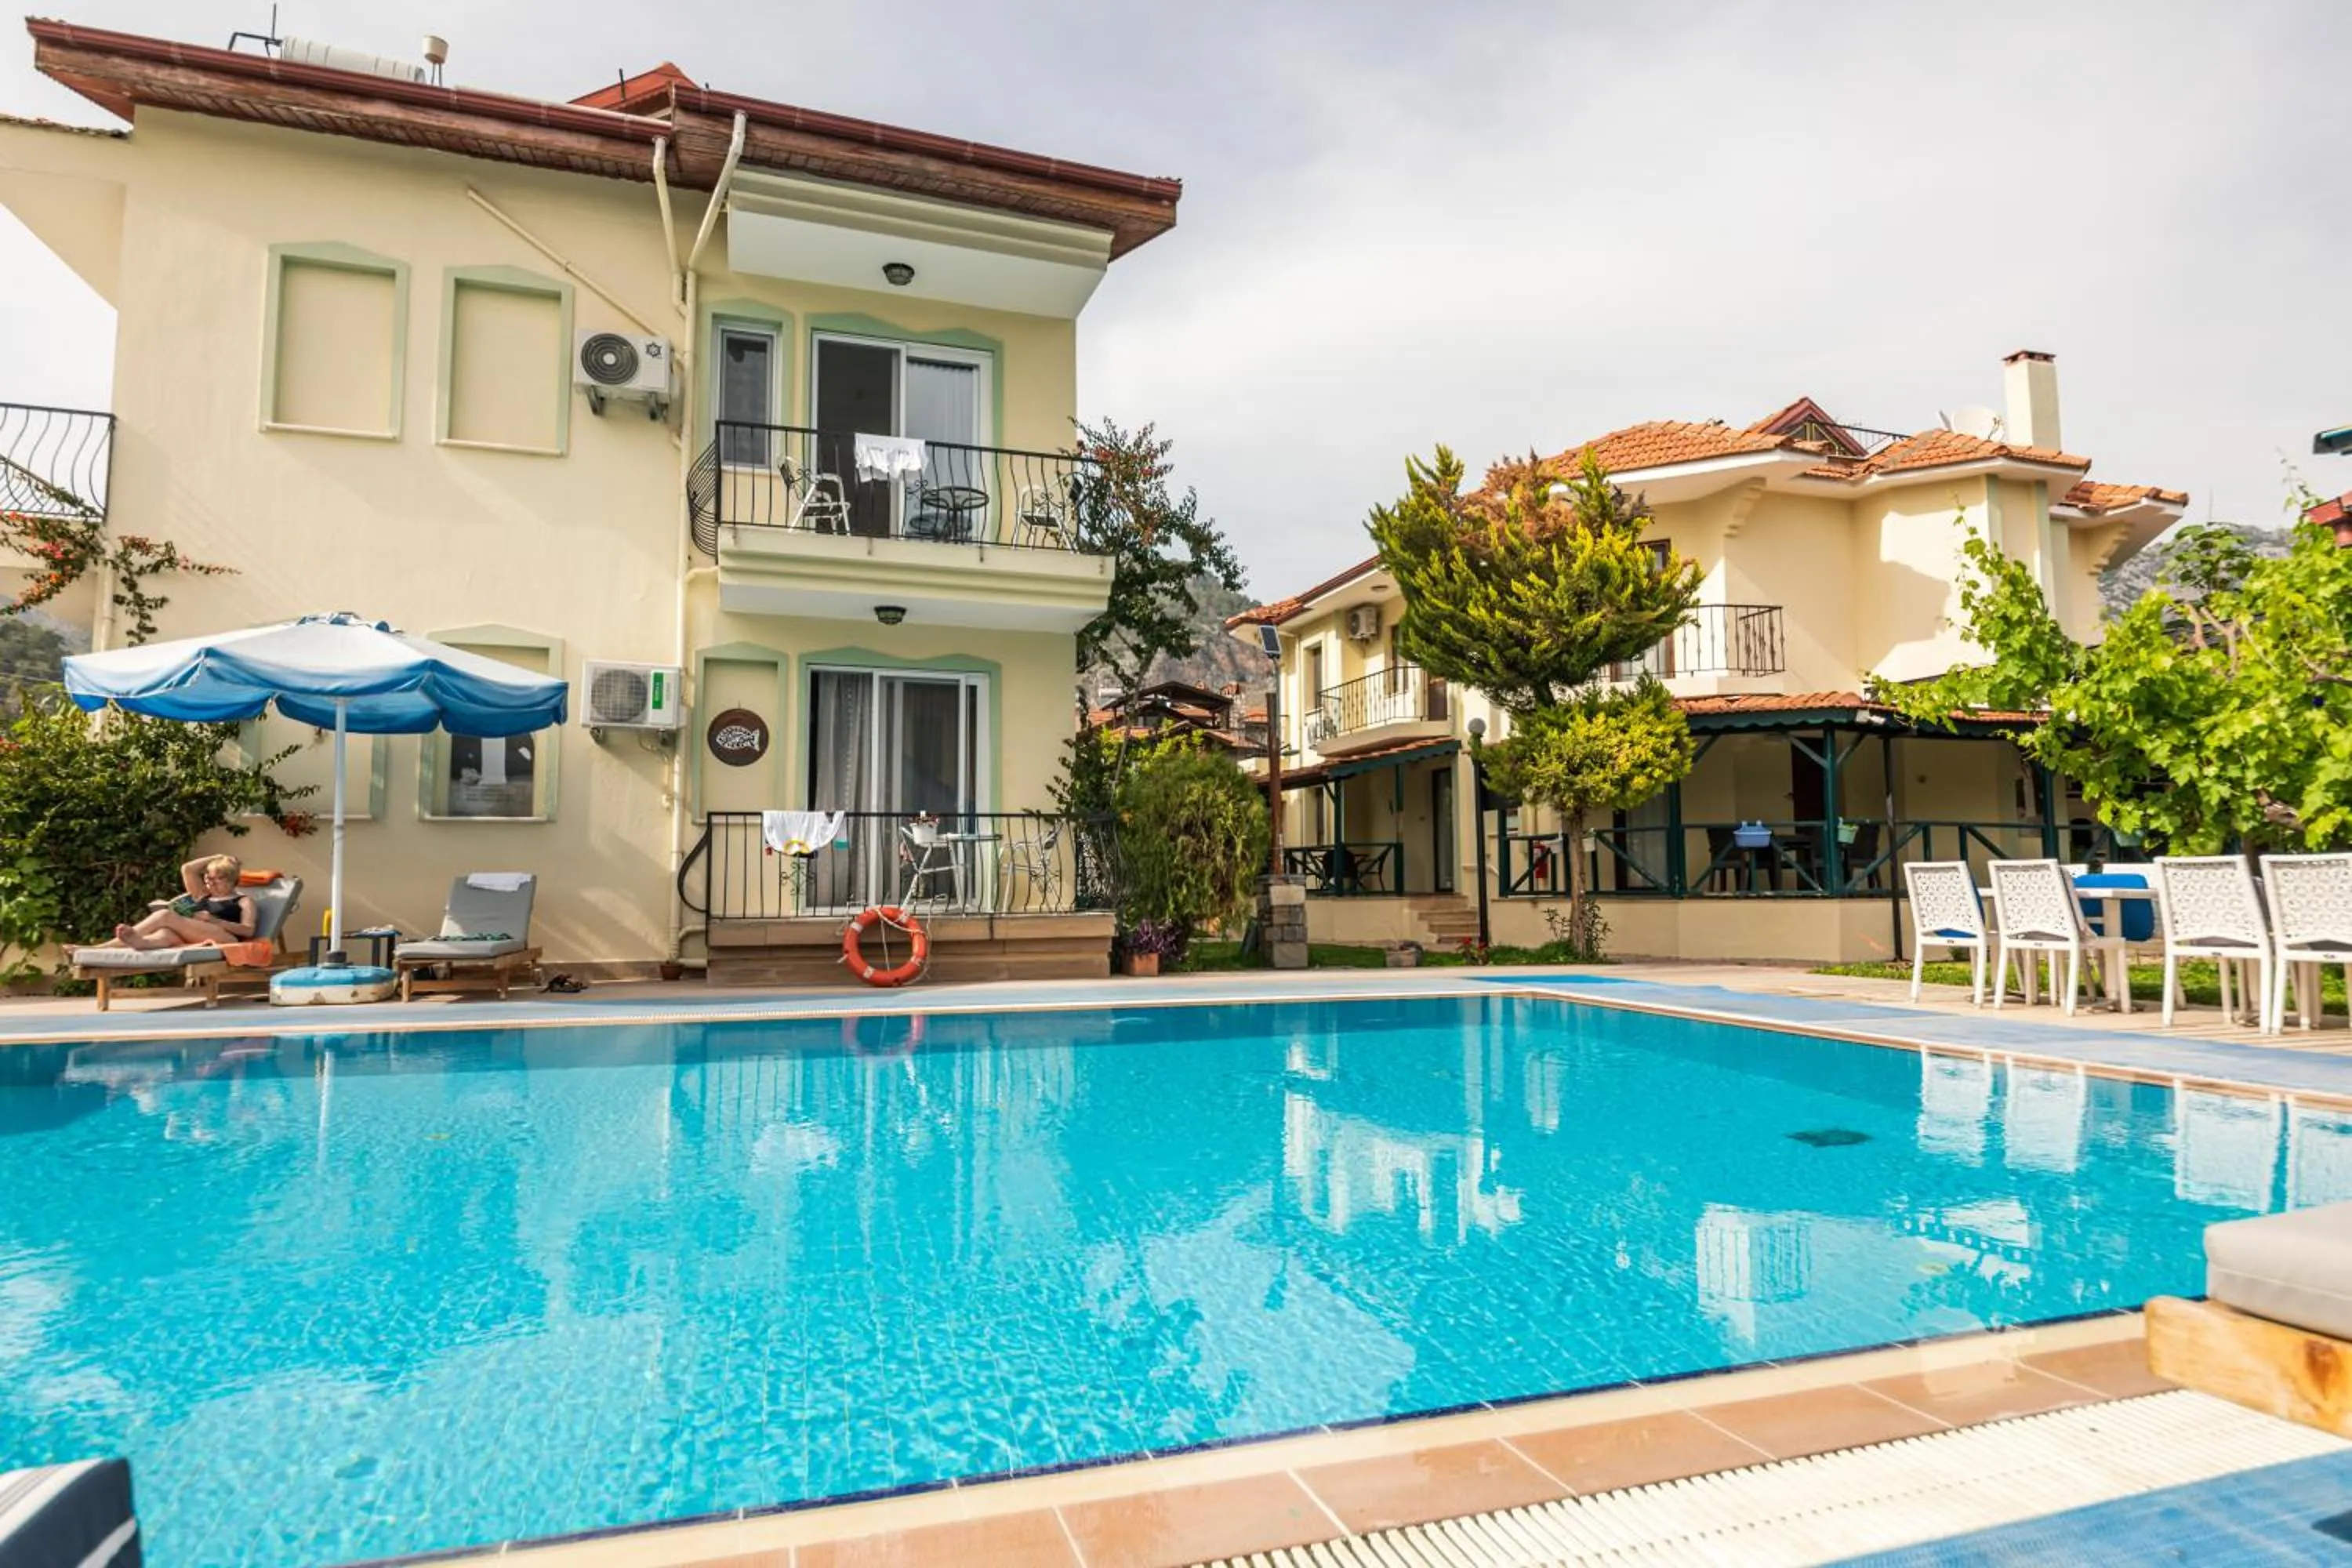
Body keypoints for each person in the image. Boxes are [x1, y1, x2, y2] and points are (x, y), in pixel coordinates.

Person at [109, 855, 257, 949]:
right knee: (165, 934)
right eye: (208, 878)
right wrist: (219, 857)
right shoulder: (203, 894)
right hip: (196, 934)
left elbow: (249, 930)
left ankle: (107, 946)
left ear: (232, 880)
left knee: (165, 916)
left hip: (225, 937)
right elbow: (187, 869)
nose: (210, 883)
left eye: (216, 879)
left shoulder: (243, 901)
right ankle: (141, 942)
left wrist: (215, 921)